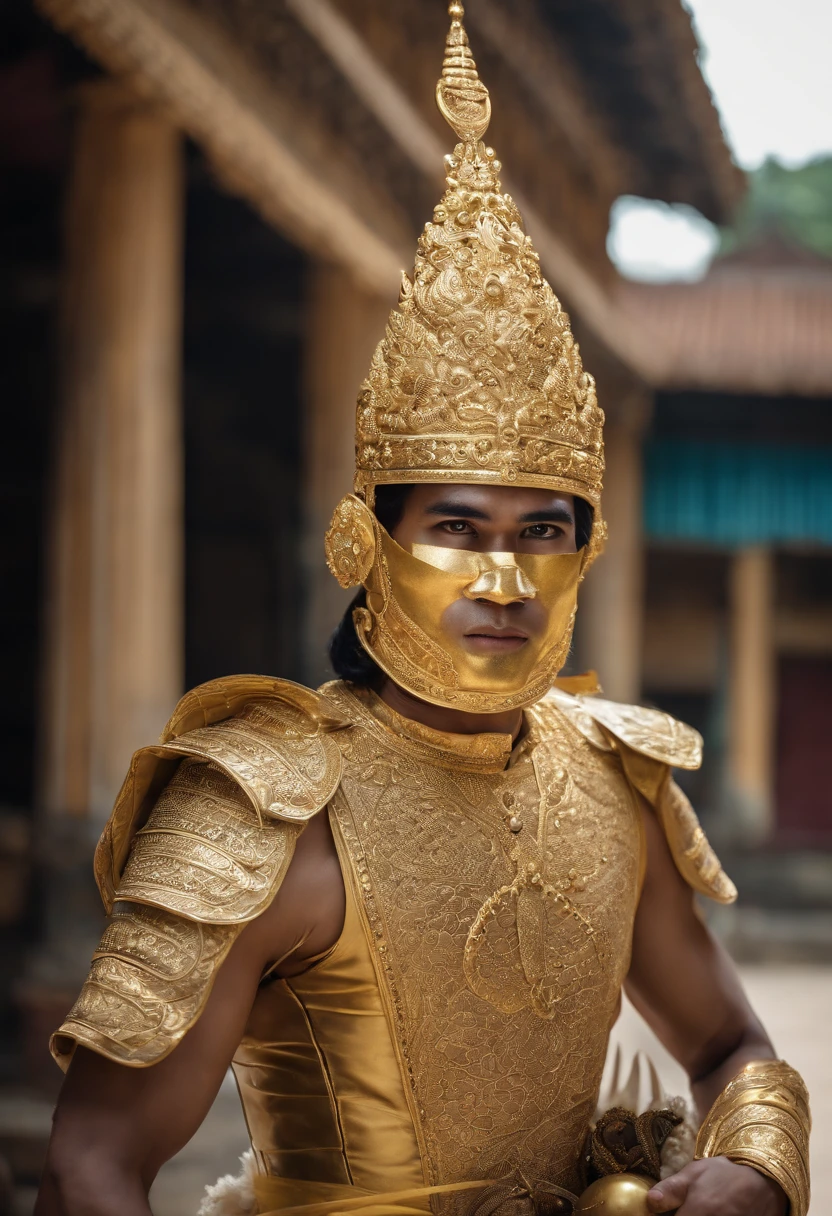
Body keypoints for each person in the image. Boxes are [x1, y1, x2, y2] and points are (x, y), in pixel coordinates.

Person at [35, 5, 810, 1215]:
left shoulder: (614, 786)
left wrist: (757, 1163)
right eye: (458, 530)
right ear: (367, 541)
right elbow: (92, 1165)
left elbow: (731, 1048)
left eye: (541, 535)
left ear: (586, 552)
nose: (504, 581)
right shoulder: (261, 803)